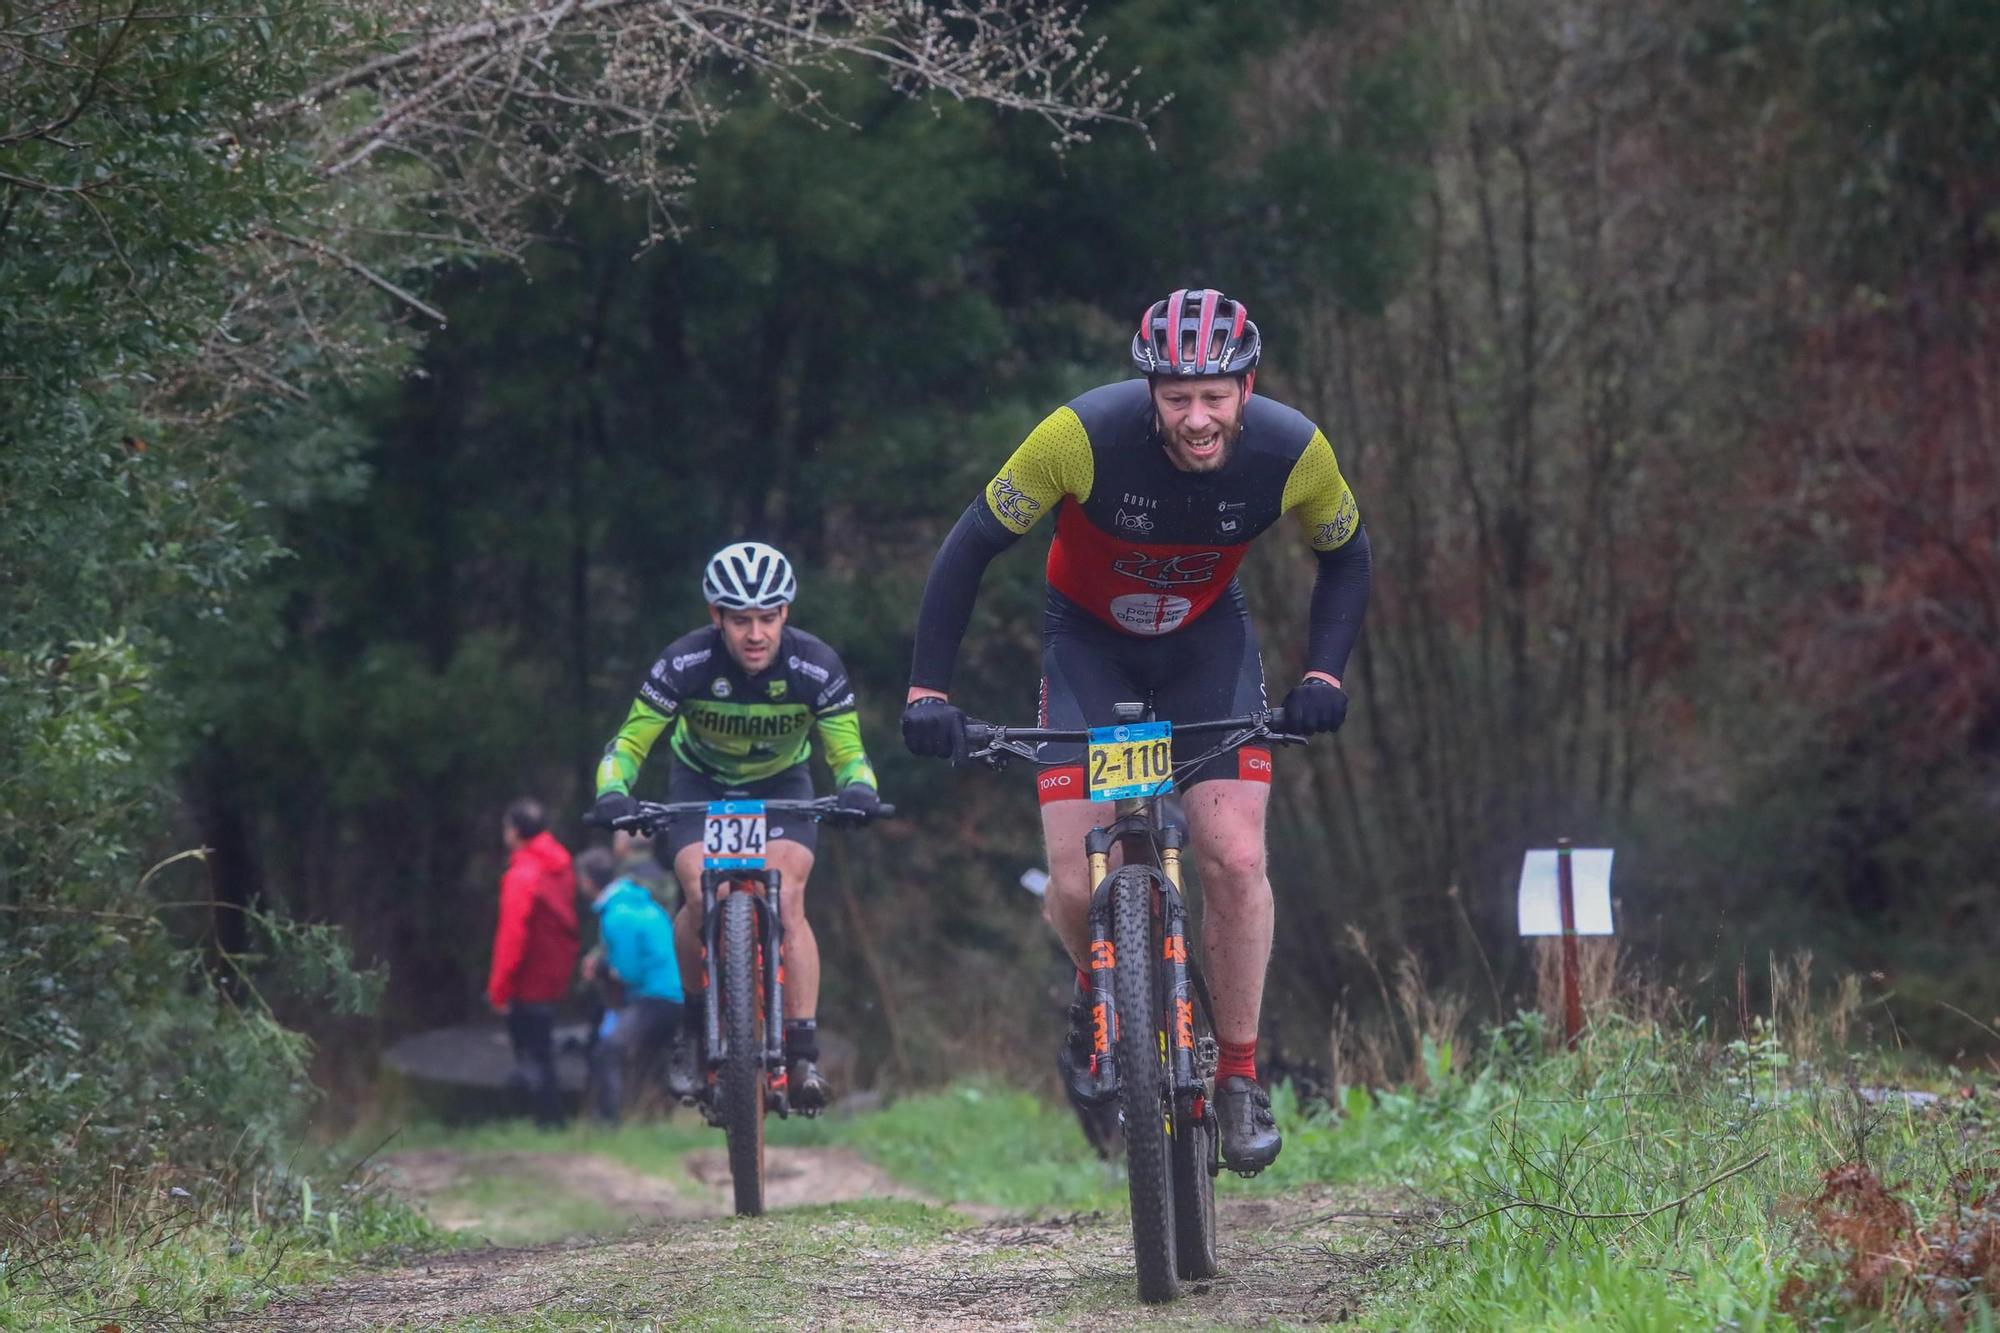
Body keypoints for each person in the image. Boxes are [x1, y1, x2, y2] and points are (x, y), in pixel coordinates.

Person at [900, 288, 1372, 1173]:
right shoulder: (1076, 438)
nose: (1197, 418)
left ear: (1247, 387)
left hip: (1205, 649)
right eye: (1176, 395)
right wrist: (929, 690)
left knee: (1233, 858)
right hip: (1089, 651)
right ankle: (1099, 984)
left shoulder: (1294, 450)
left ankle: (1237, 1076)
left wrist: (1322, 674)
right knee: (1080, 890)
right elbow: (968, 546)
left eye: (1216, 395)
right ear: (1148, 390)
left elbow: (1345, 552)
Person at [588, 540, 882, 1110]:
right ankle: (695, 1032)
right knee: (701, 893)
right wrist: (612, 792)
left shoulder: (814, 665)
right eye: (741, 619)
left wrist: (859, 788)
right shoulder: (684, 663)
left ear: (785, 615)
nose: (755, 634)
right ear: (715, 616)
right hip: (700, 786)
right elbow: (627, 744)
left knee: (789, 897)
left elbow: (849, 753)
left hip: (782, 788)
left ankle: (801, 1053)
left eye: (768, 618)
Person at [488, 797, 580, 1128]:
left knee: (531, 1054)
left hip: (527, 979)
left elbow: (511, 936)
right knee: (543, 1050)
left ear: (514, 831)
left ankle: (543, 1121)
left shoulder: (524, 874)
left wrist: (499, 988)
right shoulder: (560, 866)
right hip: (553, 974)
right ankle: (550, 1121)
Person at [577, 848, 684, 1121]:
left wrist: (600, 968)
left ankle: (609, 1122)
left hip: (656, 997)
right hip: (673, 996)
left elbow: (629, 974)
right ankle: (653, 1117)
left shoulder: (617, 914)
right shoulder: (638, 903)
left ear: (587, 881)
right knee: (649, 1059)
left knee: (608, 1050)